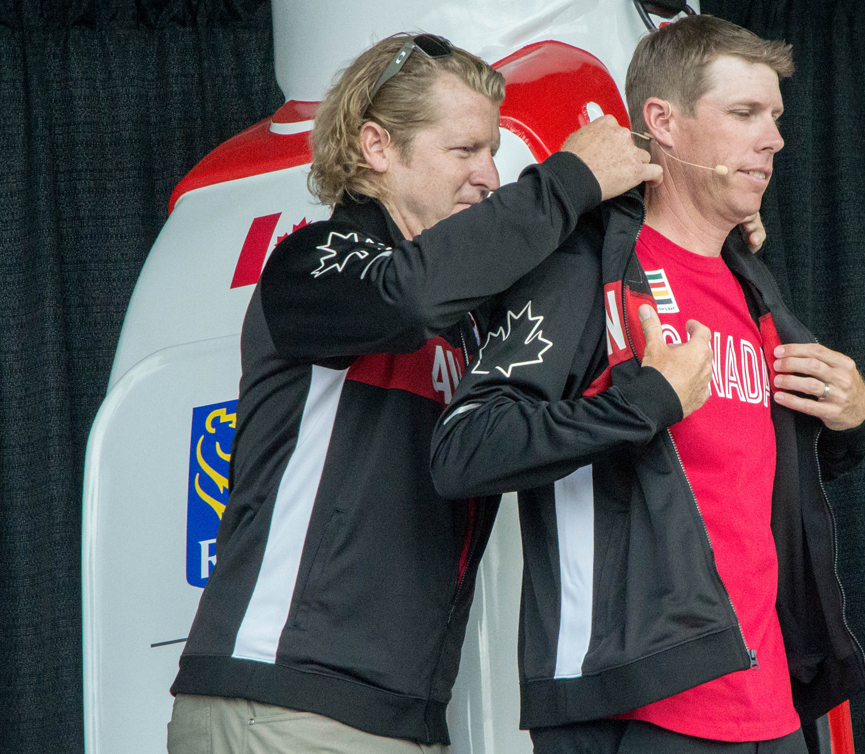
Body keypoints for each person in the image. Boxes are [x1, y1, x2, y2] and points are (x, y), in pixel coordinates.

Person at [165, 32, 668, 753]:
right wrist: (568, 180)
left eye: (493, 152)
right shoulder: (313, 260)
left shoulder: (471, 315)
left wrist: (699, 223)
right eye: (464, 151)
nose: (489, 175)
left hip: (402, 717)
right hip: (280, 700)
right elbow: (406, 299)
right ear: (377, 147)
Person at [431, 15, 865, 754]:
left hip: (771, 705)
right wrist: (644, 400)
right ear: (662, 123)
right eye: (743, 114)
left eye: (775, 117)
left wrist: (852, 418)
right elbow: (467, 446)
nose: (773, 139)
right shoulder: (588, 267)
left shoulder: (753, 285)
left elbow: (757, 476)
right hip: (639, 705)